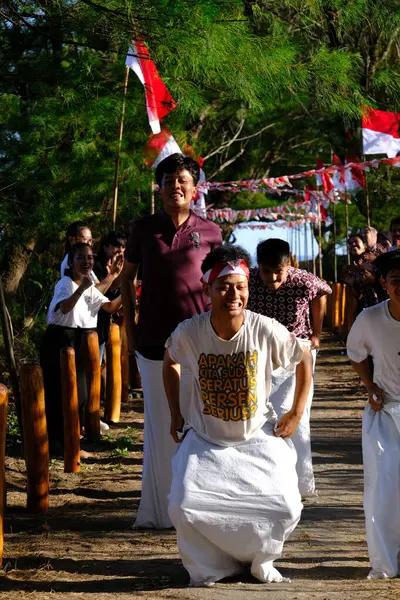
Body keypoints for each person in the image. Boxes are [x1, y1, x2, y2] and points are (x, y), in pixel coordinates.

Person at [163, 244, 313, 587]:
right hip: (205, 438)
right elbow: (169, 360)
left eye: (240, 286)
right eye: (224, 287)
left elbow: (303, 356)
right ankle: (212, 565)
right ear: (207, 289)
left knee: (286, 506)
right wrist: (176, 412)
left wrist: (296, 411)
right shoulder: (191, 330)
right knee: (183, 506)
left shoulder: (264, 327)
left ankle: (260, 560)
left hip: (257, 435)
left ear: (248, 288)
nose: (234, 294)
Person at [121, 153, 222, 529]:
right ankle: (161, 513)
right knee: (160, 426)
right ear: (159, 188)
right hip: (152, 343)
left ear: (195, 189)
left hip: (201, 343)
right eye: (167, 181)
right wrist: (130, 330)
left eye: (182, 180)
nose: (174, 187)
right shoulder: (143, 229)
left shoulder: (211, 231)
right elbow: (127, 280)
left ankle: (198, 509)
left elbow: (221, 283)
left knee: (200, 424)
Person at [247, 238, 331, 496]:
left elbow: (322, 293)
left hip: (298, 351)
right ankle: (266, 478)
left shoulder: (304, 280)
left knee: (294, 412)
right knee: (260, 412)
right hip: (261, 352)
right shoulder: (248, 279)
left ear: (289, 265)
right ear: (257, 266)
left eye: (278, 272)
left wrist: (317, 332)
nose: (272, 278)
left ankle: (297, 482)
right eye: (266, 271)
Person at [347, 249, 400, 579]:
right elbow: (355, 353)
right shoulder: (370, 318)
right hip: (385, 415)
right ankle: (387, 562)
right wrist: (370, 386)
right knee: (383, 490)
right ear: (384, 283)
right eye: (396, 281)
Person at [40, 243, 122, 453]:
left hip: (78, 342)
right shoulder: (65, 284)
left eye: (89, 258)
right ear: (71, 262)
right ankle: (59, 444)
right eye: (81, 258)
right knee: (60, 394)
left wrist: (128, 289)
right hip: (59, 341)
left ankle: (73, 440)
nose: (87, 262)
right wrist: (83, 289)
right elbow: (65, 307)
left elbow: (110, 306)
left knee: (81, 395)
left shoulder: (90, 287)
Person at [60, 221, 123, 294]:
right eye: (85, 239)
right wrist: (112, 275)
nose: (89, 244)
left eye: (91, 240)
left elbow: (99, 289)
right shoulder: (72, 261)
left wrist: (116, 275)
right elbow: (92, 295)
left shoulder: (84, 262)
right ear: (72, 240)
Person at [343, 233, 386, 313]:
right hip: (366, 309)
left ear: (365, 245)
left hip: (382, 307)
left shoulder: (374, 259)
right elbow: (358, 295)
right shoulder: (352, 268)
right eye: (350, 243)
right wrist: (351, 285)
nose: (353, 244)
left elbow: (386, 281)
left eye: (356, 241)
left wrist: (373, 278)